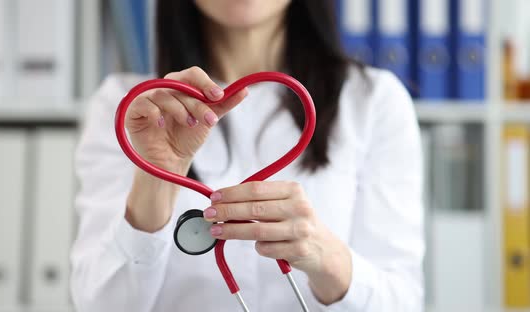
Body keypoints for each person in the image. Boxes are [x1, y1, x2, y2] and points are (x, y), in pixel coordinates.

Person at [71, 0, 424, 311]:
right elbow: (99, 305)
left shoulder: (374, 102)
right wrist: (157, 175)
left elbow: (403, 301)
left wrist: (326, 257)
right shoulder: (130, 110)